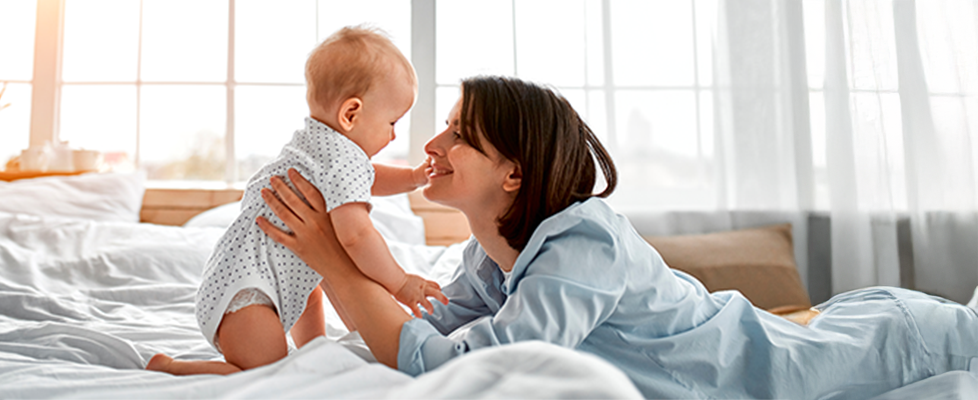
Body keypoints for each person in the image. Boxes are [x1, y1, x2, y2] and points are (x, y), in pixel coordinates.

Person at [255, 75, 978, 398]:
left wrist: (332, 256)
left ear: (513, 173)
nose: (433, 143)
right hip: (830, 325)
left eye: (459, 134)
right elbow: (429, 325)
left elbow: (443, 367)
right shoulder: (493, 253)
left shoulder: (583, 244)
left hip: (881, 348)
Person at [146, 26, 447, 376]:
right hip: (247, 296)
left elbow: (365, 177)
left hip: (243, 280)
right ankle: (170, 368)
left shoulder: (318, 143)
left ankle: (314, 350)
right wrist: (400, 282)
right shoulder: (341, 158)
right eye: (392, 121)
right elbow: (357, 237)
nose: (394, 133)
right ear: (351, 114)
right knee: (266, 373)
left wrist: (411, 177)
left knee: (309, 289)